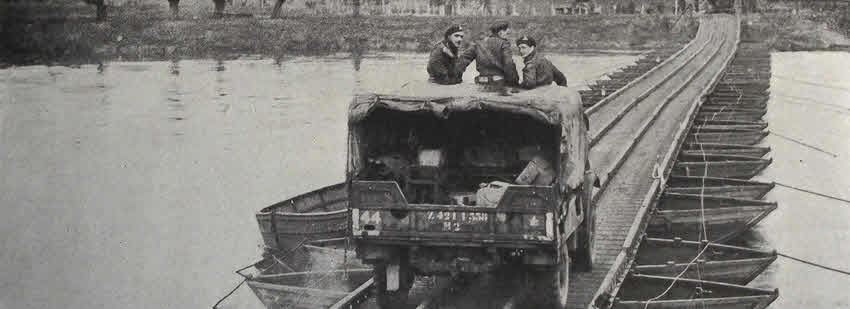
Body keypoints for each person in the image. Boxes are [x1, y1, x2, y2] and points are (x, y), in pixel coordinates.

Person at [457, 21, 520, 89]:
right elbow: (509, 64)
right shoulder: (504, 44)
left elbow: (462, 60)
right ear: (500, 32)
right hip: (499, 84)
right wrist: (514, 83)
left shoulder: (478, 44)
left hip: (481, 83)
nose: (508, 37)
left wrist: (455, 78)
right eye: (507, 33)